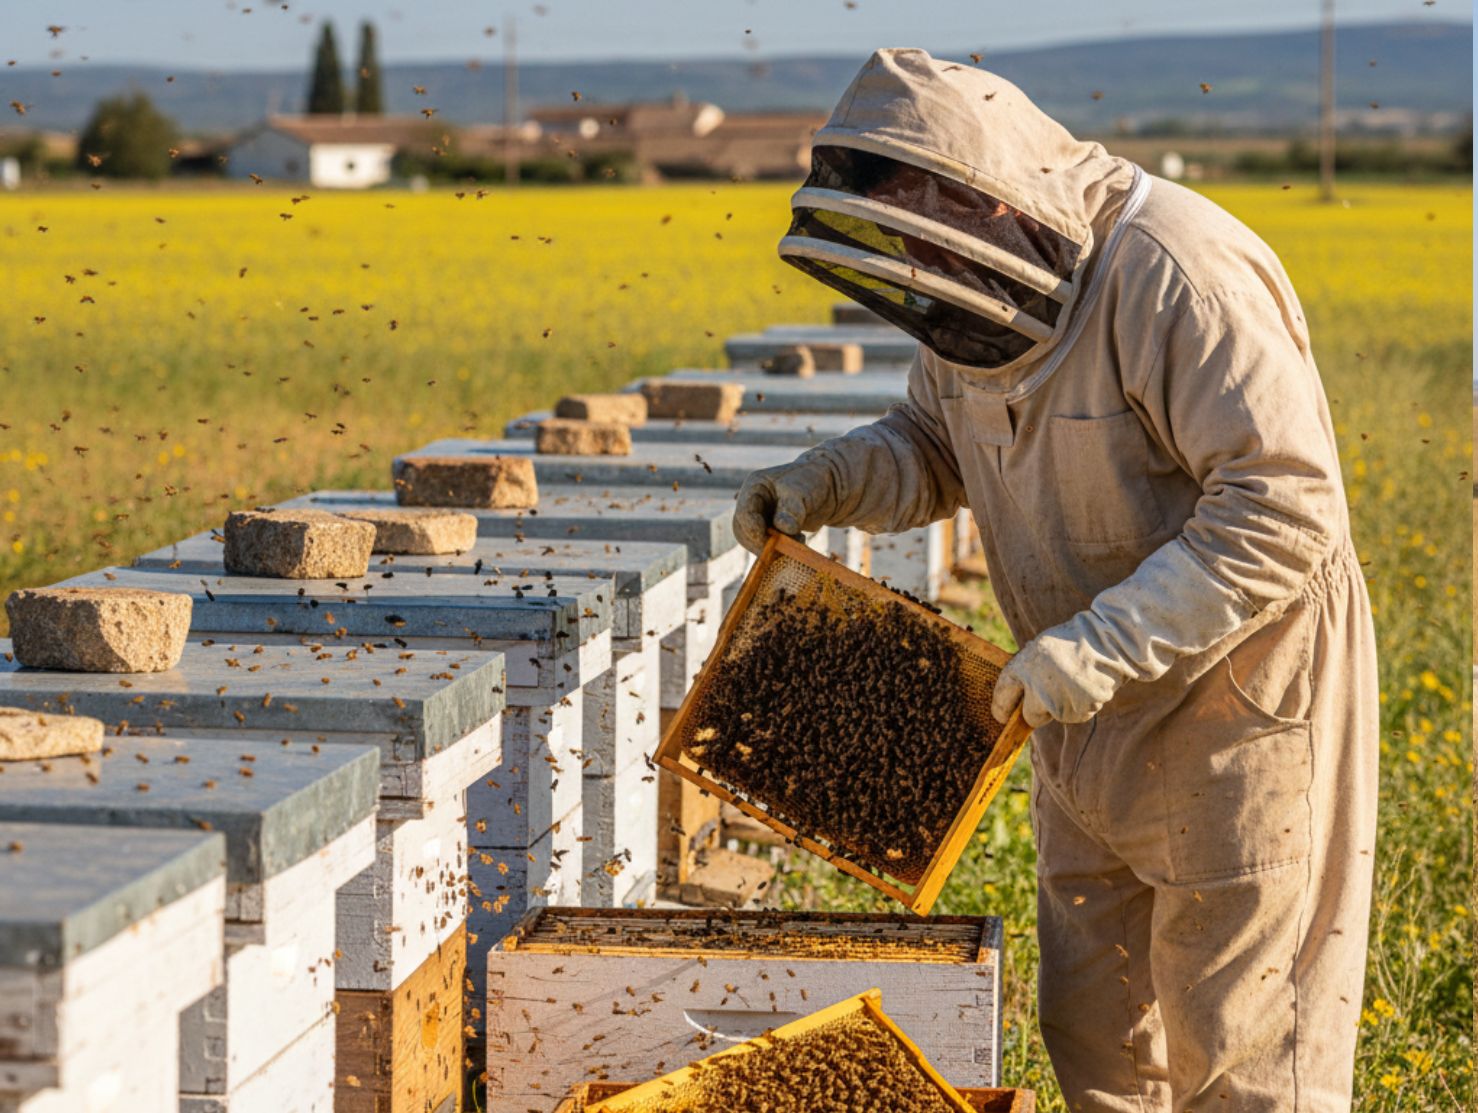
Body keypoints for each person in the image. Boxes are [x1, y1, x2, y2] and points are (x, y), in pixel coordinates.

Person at [733, 48, 1378, 1112]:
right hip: (1078, 707)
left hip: (1234, 701)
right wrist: (828, 479)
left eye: (921, 229)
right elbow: (935, 443)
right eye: (897, 239)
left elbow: (1284, 506)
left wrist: (1099, 648)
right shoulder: (972, 290)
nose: (913, 258)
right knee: (1095, 1026)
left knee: (1242, 1044)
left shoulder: (1178, 274)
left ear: (984, 194)